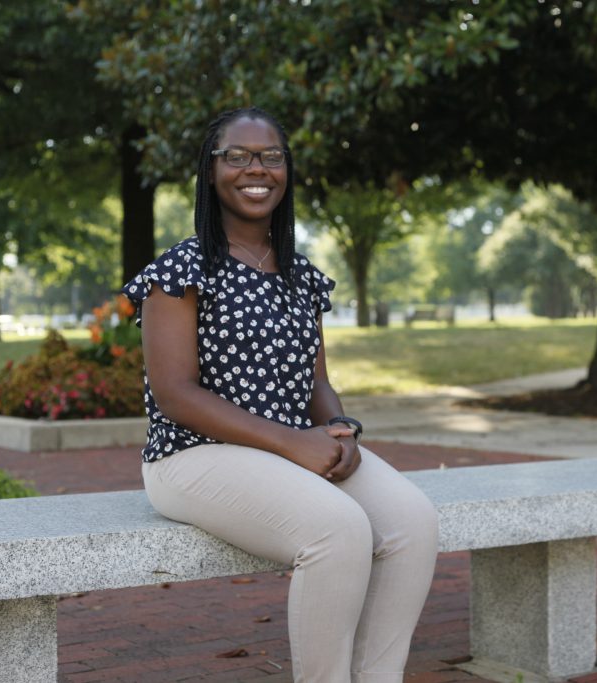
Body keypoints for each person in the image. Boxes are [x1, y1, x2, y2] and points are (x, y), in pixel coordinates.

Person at [122, 107, 439, 683]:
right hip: (191, 456)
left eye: (270, 156)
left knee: (413, 522)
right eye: (237, 156)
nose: (256, 169)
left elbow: (315, 380)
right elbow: (175, 394)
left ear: (286, 170)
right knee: (337, 530)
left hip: (290, 448)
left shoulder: (299, 274)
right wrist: (295, 444)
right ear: (210, 170)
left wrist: (340, 429)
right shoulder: (181, 270)